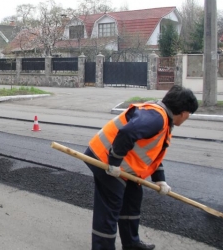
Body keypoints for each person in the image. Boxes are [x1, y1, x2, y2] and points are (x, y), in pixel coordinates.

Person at [84, 85, 198, 250]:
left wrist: (160, 180)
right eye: (189, 114)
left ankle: (132, 244)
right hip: (103, 160)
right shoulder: (156, 117)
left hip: (121, 165)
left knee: (132, 198)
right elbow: (127, 133)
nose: (188, 117)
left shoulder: (163, 119)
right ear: (183, 112)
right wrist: (114, 163)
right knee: (109, 210)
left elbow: (152, 153)